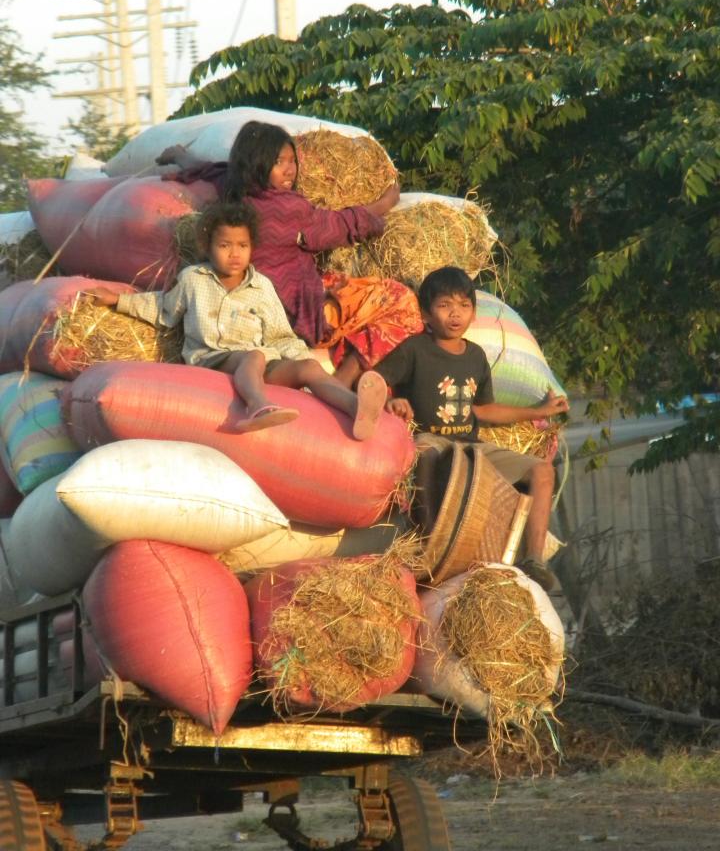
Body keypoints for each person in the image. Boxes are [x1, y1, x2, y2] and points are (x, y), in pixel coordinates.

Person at [84, 201, 388, 440]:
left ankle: (354, 406)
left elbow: (281, 336)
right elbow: (163, 308)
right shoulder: (193, 280)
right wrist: (119, 300)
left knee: (306, 366)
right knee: (253, 356)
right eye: (225, 245)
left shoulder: (262, 286)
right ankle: (257, 406)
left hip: (259, 362)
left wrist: (299, 363)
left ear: (252, 248)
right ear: (208, 247)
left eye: (242, 246)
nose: (234, 254)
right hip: (212, 359)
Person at [156, 120, 424, 387]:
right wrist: (383, 204)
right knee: (400, 300)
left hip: (259, 309)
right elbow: (338, 226)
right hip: (295, 314)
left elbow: (211, 170)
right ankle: (343, 380)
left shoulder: (233, 190)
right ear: (257, 164)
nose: (290, 170)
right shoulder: (286, 209)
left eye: (291, 160)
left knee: (343, 283)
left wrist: (181, 156)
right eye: (279, 162)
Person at [374, 265, 570, 591]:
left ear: (474, 313)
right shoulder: (414, 349)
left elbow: (484, 409)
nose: (455, 314)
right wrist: (391, 403)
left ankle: (534, 558)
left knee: (542, 472)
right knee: (424, 453)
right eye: (445, 305)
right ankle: (426, 543)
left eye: (464, 306)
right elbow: (377, 382)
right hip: (431, 441)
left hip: (471, 449)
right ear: (425, 313)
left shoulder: (476, 356)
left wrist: (537, 411)